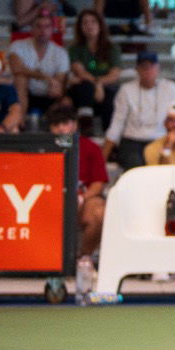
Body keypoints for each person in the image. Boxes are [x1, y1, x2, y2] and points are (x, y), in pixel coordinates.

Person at [47, 105, 108, 258]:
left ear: (74, 124)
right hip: (50, 197)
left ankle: (83, 258)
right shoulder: (42, 148)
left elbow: (99, 182)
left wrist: (81, 198)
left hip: (83, 197)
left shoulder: (91, 147)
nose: (61, 129)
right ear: (50, 128)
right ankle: (46, 259)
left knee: (99, 212)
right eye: (56, 125)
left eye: (65, 123)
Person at [104, 51, 175, 170]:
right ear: (137, 69)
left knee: (162, 165)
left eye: (151, 66)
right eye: (144, 66)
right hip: (132, 141)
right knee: (136, 166)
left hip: (161, 140)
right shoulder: (126, 89)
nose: (148, 70)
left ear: (158, 68)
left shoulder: (170, 88)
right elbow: (117, 124)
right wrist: (103, 156)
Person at [67, 9, 122, 130]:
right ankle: (86, 128)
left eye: (93, 22)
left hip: (106, 88)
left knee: (111, 98)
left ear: (100, 25)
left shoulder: (112, 48)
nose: (89, 26)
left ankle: (109, 137)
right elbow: (80, 72)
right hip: (84, 90)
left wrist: (100, 84)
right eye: (85, 23)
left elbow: (114, 74)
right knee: (85, 86)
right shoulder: (75, 49)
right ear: (80, 27)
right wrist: (97, 83)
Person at [8, 14, 70, 114]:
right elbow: (16, 69)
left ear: (52, 29)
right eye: (38, 26)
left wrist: (53, 84)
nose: (43, 30)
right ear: (31, 29)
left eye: (47, 26)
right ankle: (20, 124)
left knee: (60, 92)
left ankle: (56, 124)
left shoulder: (61, 52)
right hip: (25, 93)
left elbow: (59, 81)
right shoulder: (18, 46)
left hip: (49, 94)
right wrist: (45, 77)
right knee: (20, 78)